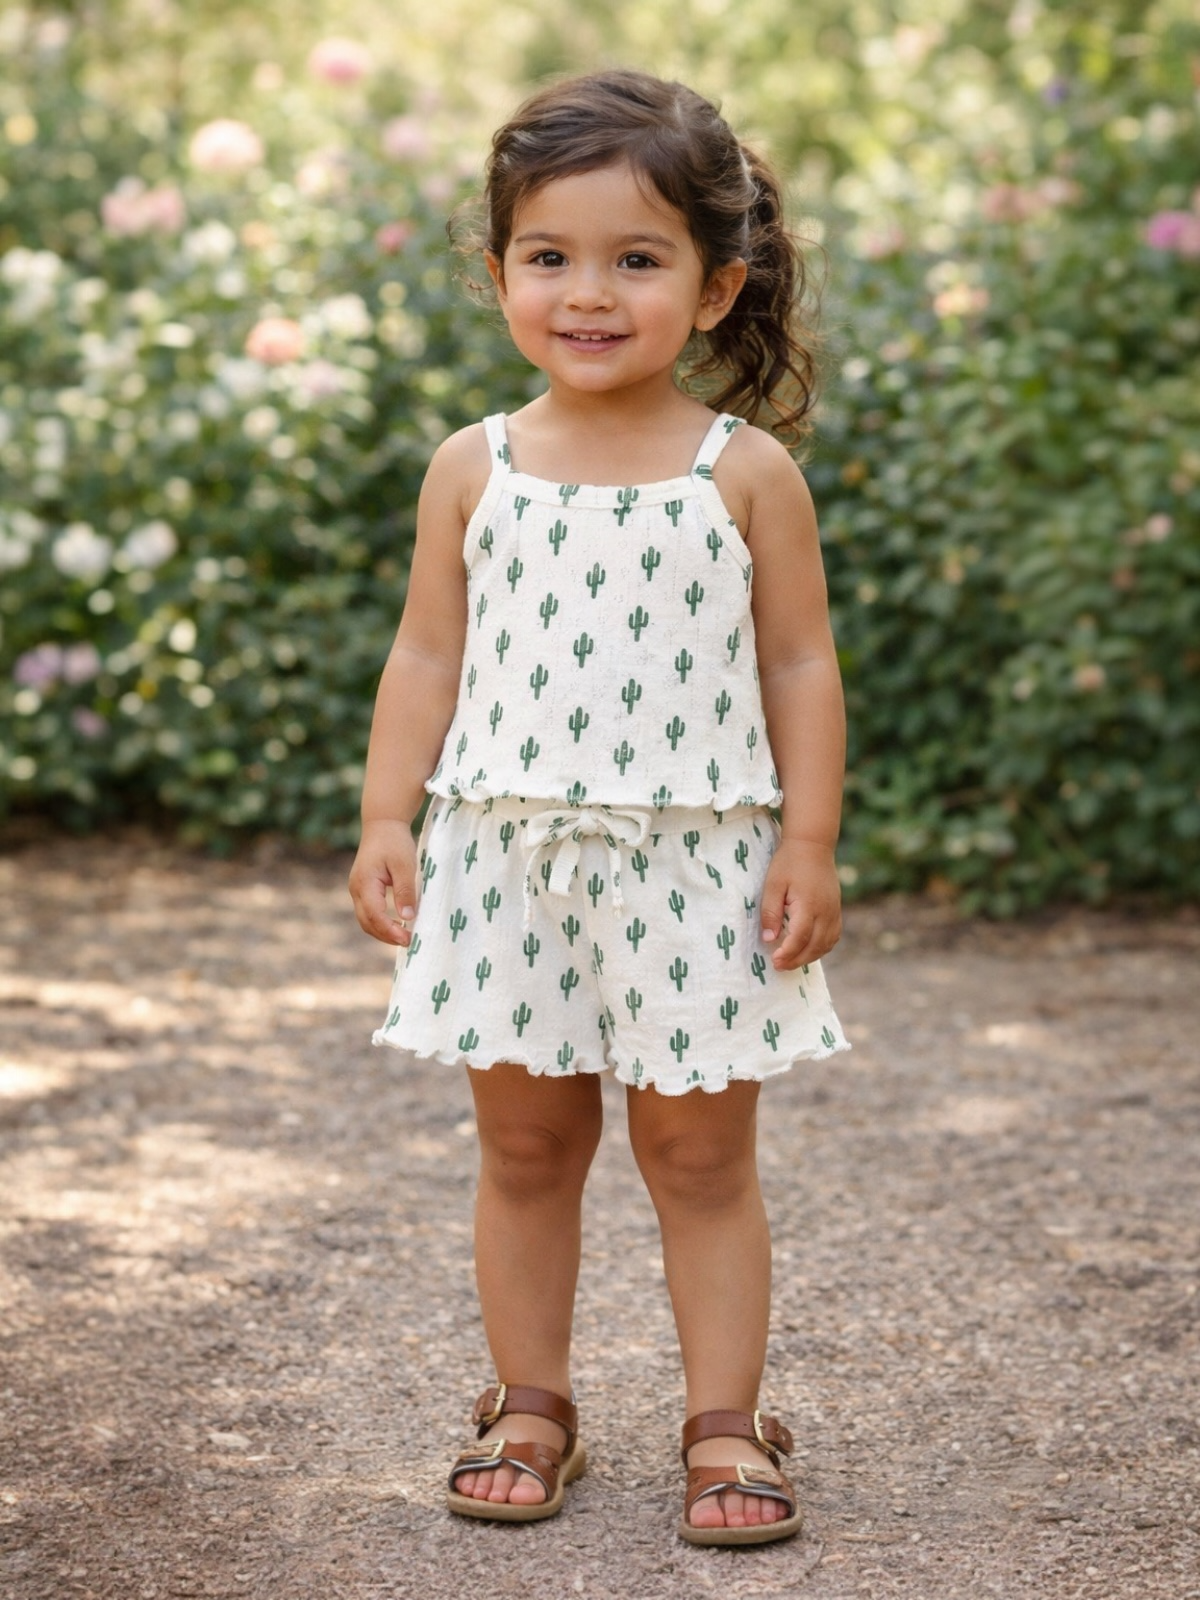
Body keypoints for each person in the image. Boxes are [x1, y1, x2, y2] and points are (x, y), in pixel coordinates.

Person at [349, 67, 849, 1547]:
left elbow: (802, 661)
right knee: (524, 1146)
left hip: (698, 861)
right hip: (504, 856)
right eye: (548, 257)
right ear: (500, 272)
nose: (587, 291)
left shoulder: (742, 474)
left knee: (699, 1154)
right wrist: (390, 818)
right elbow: (426, 649)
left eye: (636, 259)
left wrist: (809, 842)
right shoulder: (475, 467)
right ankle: (529, 1402)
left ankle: (725, 1423)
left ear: (714, 289)